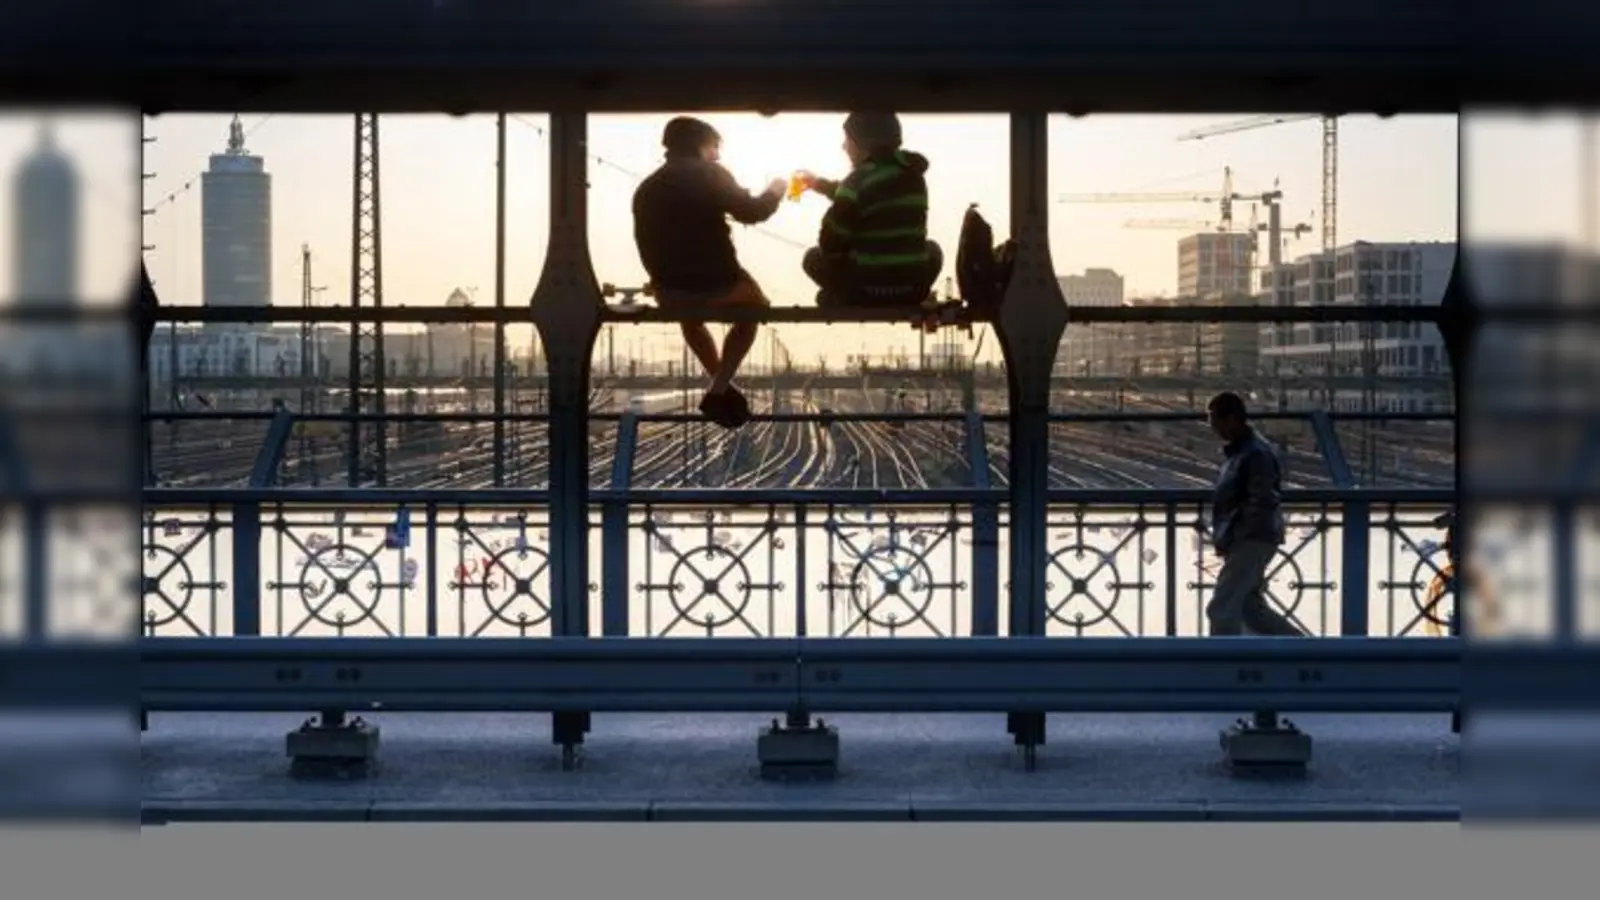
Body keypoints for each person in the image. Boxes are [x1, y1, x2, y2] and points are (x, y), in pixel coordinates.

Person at [632, 116, 786, 428]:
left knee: (690, 316)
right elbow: (752, 211)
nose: (717, 155)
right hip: (716, 283)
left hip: (667, 289)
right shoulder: (709, 173)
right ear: (702, 145)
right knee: (754, 309)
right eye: (715, 147)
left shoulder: (648, 186)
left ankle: (721, 385)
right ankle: (719, 387)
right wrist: (775, 190)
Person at [795, 112, 943, 307]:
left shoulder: (856, 181)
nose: (844, 147)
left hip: (863, 290)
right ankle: (905, 295)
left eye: (847, 140)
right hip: (910, 290)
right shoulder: (914, 177)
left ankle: (843, 296)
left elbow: (830, 242)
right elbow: (873, 195)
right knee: (933, 250)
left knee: (812, 258)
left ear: (863, 145)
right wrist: (819, 185)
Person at [1204, 391, 1305, 637]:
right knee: (1251, 608)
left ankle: (1223, 668)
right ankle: (1304, 651)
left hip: (1250, 539)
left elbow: (1261, 502)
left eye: (1215, 421)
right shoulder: (1244, 450)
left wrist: (1237, 536)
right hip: (1248, 538)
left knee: (1221, 608)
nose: (1213, 428)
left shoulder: (1254, 453)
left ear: (1233, 419)